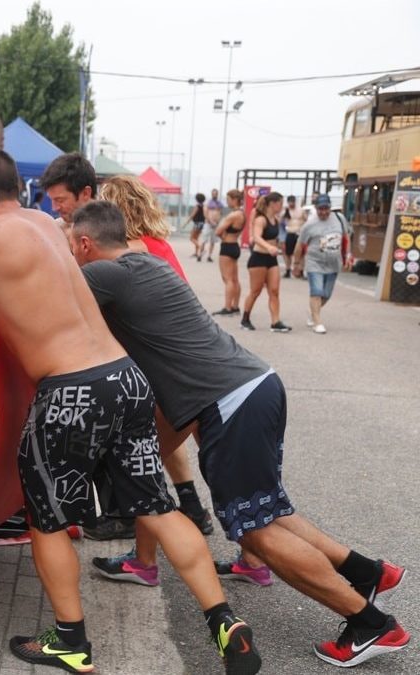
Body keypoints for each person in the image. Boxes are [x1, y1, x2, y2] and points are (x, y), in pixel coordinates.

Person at [0, 148, 261, 675]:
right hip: (126, 379)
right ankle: (223, 621)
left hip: (71, 389)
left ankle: (70, 641)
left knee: (47, 517)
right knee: (157, 506)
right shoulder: (40, 222)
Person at [71, 201, 410, 669]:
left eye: (72, 244)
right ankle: (367, 572)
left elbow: (44, 293)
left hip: (233, 404)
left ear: (85, 244)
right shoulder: (143, 262)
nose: (70, 253)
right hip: (257, 385)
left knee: (258, 530)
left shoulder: (108, 274)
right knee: (269, 510)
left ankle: (371, 623)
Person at [90, 175, 214, 544]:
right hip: (185, 359)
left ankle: (132, 515)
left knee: (138, 450)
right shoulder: (160, 244)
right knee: (170, 438)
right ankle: (193, 508)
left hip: (160, 360)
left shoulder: (130, 250)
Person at [293, 194, 350, 334]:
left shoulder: (339, 219)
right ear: (316, 208)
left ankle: (313, 311)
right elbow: (299, 246)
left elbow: (346, 237)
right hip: (315, 263)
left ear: (330, 207)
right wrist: (296, 264)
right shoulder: (309, 225)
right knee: (317, 291)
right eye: (320, 209)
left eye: (326, 208)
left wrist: (348, 255)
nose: (323, 212)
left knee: (326, 294)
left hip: (333, 263)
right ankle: (317, 323)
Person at [241, 192, 292, 332]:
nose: (282, 206)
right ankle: (245, 319)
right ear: (272, 204)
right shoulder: (261, 219)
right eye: (280, 203)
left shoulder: (275, 219)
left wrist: (279, 245)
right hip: (258, 258)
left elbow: (274, 237)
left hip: (271, 259)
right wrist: (269, 247)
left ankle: (275, 322)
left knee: (274, 291)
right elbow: (256, 237)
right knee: (255, 291)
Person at [39, 152, 97, 238]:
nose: (54, 208)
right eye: (52, 200)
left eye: (60, 200)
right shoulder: (57, 230)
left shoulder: (112, 233)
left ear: (85, 193)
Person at [212, 189, 246, 316]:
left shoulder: (233, 215)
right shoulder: (242, 214)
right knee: (235, 279)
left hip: (227, 247)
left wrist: (224, 236)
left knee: (228, 279)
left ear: (234, 199)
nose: (227, 202)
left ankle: (227, 308)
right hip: (235, 245)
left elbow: (218, 231)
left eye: (228, 199)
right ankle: (235, 306)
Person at [282, 195, 306, 278]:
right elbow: (279, 220)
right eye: (290, 202)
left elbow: (306, 220)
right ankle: (288, 270)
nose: (291, 204)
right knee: (287, 253)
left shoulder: (301, 210)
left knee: (301, 254)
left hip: (299, 233)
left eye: (293, 202)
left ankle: (301, 271)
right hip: (290, 232)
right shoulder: (285, 211)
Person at [185, 192, 207, 260]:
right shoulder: (204, 206)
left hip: (197, 224)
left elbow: (192, 215)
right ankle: (196, 253)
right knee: (196, 238)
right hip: (202, 224)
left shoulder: (197, 206)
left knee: (192, 238)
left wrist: (186, 222)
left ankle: (201, 248)